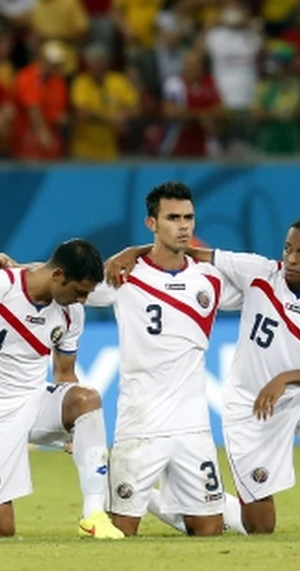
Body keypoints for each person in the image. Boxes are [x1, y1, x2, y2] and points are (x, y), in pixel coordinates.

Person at [106, 217, 300, 536]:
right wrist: (134, 250)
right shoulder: (257, 271)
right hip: (250, 407)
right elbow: (185, 251)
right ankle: (150, 499)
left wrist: (286, 378)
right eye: (288, 250)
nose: (292, 260)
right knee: (259, 527)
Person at [86, 181, 237, 537]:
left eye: (188, 217)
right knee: (121, 530)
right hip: (141, 423)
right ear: (151, 223)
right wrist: (14, 269)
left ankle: (160, 499)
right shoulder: (123, 275)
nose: (183, 226)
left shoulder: (210, 279)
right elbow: (63, 278)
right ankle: (148, 498)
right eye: (172, 218)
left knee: (210, 530)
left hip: (193, 425)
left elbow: (272, 284)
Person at [0, 239, 122, 540]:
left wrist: (74, 430)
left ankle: (93, 515)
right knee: (1, 531)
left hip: (33, 401)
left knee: (87, 399)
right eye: (79, 291)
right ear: (57, 276)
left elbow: (65, 373)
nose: (82, 301)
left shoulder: (71, 313)